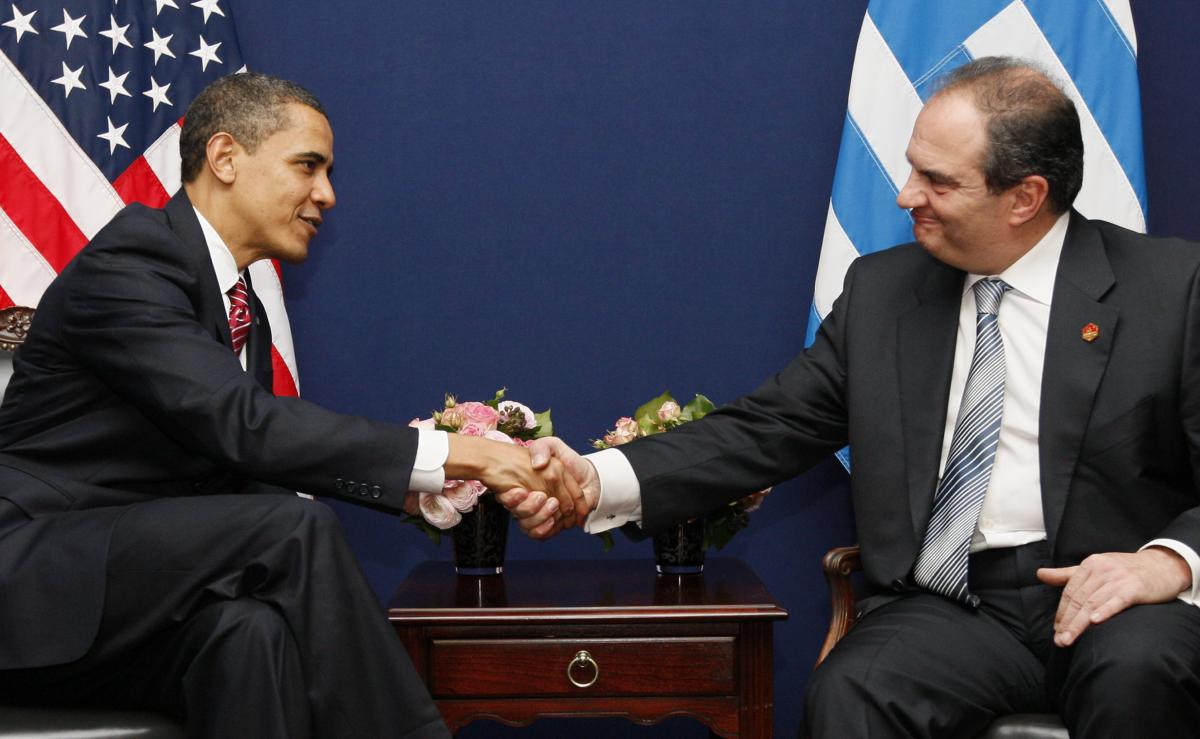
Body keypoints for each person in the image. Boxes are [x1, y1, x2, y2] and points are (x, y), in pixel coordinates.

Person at [502, 56, 1200, 737]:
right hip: (956, 608)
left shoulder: (1174, 290)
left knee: (1140, 672)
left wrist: (1166, 561)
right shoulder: (884, 292)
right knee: (854, 688)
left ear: (1025, 197)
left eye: (937, 180)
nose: (905, 195)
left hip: (1118, 599)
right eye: (912, 167)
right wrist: (595, 479)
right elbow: (766, 427)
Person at [0, 72, 585, 738]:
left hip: (121, 600)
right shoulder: (131, 264)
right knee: (292, 530)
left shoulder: (237, 301)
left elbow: (230, 469)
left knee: (248, 633)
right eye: (308, 166)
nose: (327, 194)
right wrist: (473, 454)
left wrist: (417, 486)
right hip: (31, 583)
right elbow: (245, 427)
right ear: (225, 158)